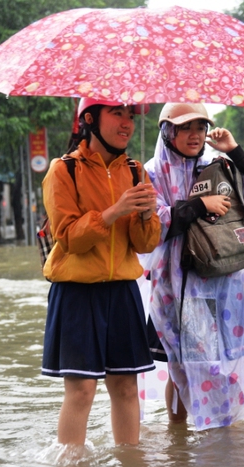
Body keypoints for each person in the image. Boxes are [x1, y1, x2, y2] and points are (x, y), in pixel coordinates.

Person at [140, 103, 244, 430]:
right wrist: (198, 205)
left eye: (200, 128)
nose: (194, 135)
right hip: (175, 288)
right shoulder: (151, 173)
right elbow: (153, 227)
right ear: (167, 132)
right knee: (181, 365)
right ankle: (180, 439)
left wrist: (234, 150)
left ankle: (221, 441)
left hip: (223, 284)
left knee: (224, 364)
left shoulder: (217, 167)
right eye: (185, 128)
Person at [41, 97, 161, 447]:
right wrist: (114, 211)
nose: (127, 123)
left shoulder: (138, 172)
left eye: (130, 115)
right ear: (90, 119)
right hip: (77, 292)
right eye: (117, 114)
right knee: (81, 392)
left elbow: (145, 243)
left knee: (126, 389)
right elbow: (67, 237)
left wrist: (143, 214)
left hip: (123, 291)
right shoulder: (63, 170)